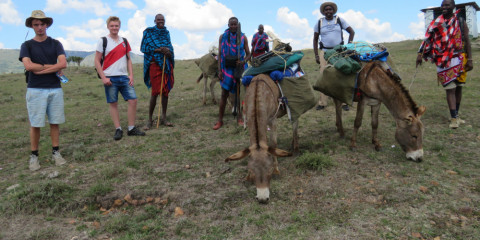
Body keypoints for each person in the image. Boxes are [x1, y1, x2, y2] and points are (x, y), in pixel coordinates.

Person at [19, 10, 67, 171]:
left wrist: (40, 69)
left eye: (42, 24)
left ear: (47, 24)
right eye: (36, 24)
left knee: (55, 122)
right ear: (32, 26)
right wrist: (52, 68)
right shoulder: (27, 45)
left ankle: (56, 152)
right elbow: (28, 66)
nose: (40, 27)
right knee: (35, 124)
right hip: (35, 89)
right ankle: (34, 156)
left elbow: (63, 64)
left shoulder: (55, 43)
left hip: (54, 88)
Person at [416, 0, 473, 129]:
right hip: (443, 60)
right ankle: (453, 118)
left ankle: (456, 115)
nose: (444, 7)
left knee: (459, 87)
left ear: (453, 6)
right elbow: (427, 39)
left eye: (447, 5)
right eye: (443, 5)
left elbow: (467, 40)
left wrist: (470, 59)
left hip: (459, 58)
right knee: (450, 89)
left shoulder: (460, 21)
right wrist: (420, 54)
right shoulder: (436, 23)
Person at [95, 16, 145, 140]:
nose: (114, 28)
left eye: (116, 26)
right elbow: (96, 60)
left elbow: (129, 59)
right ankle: (118, 129)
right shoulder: (103, 41)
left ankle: (131, 128)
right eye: (112, 26)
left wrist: (131, 75)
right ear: (108, 26)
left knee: (133, 100)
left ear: (119, 26)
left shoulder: (124, 41)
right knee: (113, 103)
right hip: (110, 78)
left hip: (123, 77)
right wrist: (103, 77)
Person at [313, 1, 355, 111]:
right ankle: (322, 102)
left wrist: (349, 45)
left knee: (341, 74)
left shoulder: (339, 20)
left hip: (339, 51)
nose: (328, 11)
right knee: (324, 75)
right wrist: (316, 55)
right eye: (326, 10)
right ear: (323, 12)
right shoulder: (319, 23)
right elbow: (315, 39)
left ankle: (343, 102)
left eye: (330, 9)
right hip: (325, 52)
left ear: (333, 11)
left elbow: (351, 32)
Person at [213, 17, 251, 130]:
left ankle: (240, 117)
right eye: (231, 24)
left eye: (235, 25)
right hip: (226, 68)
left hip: (239, 67)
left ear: (238, 25)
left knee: (239, 94)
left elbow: (249, 54)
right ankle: (220, 120)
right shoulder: (223, 37)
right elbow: (220, 54)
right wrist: (219, 70)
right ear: (228, 25)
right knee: (224, 94)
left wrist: (243, 61)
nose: (233, 26)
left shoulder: (243, 37)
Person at [141, 14, 175, 129]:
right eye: (158, 20)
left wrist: (168, 52)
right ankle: (150, 120)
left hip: (165, 64)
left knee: (165, 92)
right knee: (155, 92)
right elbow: (144, 48)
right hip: (154, 65)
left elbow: (170, 48)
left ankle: (164, 118)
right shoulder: (148, 32)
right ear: (155, 21)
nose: (161, 21)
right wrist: (160, 50)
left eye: (162, 20)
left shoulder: (166, 33)